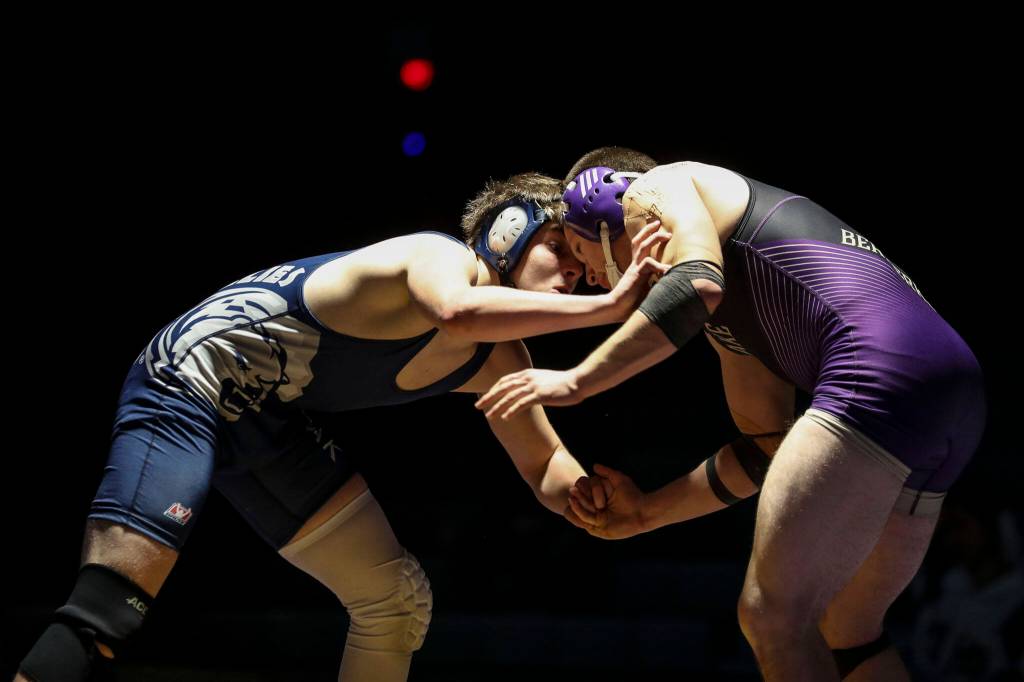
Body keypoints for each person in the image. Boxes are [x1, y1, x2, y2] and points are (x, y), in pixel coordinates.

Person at [14, 172, 669, 682]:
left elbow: (543, 466)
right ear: (507, 232)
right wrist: (608, 306)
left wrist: (585, 494)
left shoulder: (501, 359)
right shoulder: (438, 257)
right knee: (109, 610)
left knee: (394, 601)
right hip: (192, 375)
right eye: (561, 251)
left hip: (265, 414)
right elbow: (454, 310)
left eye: (584, 273)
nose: (572, 279)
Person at [477, 148, 987, 680]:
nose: (592, 279)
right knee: (846, 631)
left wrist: (576, 380)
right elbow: (766, 447)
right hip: (949, 397)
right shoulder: (732, 326)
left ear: (602, 199)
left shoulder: (658, 187)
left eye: (579, 252)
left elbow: (696, 283)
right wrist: (649, 512)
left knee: (771, 616)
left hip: (877, 371)